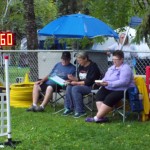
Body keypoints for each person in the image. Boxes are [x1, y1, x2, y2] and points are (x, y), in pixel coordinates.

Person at [85, 50, 135, 123]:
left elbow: (124, 82)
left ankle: (96, 118)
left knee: (109, 98)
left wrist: (108, 84)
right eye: (113, 59)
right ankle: (101, 117)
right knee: (99, 95)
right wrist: (101, 82)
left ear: (122, 59)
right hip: (109, 87)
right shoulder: (111, 68)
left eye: (116, 60)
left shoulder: (125, 68)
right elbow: (106, 78)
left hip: (122, 89)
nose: (114, 61)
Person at [62, 51, 101, 118]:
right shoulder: (81, 66)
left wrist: (76, 83)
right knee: (69, 86)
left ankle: (80, 111)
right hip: (82, 85)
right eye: (77, 60)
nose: (78, 62)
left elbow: (88, 81)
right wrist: (73, 78)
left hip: (92, 86)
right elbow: (80, 79)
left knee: (75, 88)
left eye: (80, 60)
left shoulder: (93, 67)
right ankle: (68, 108)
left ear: (85, 59)